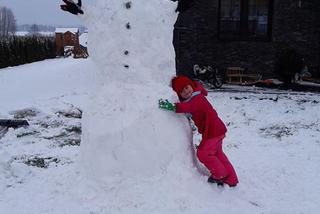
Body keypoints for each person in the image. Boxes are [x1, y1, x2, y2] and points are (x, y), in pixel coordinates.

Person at [159, 76, 239, 187]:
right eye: (182, 91)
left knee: (203, 153)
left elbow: (188, 107)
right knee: (217, 154)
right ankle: (231, 179)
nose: (186, 91)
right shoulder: (195, 97)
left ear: (191, 85)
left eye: (187, 87)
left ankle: (220, 175)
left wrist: (172, 106)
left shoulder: (198, 98)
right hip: (216, 130)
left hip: (213, 131)